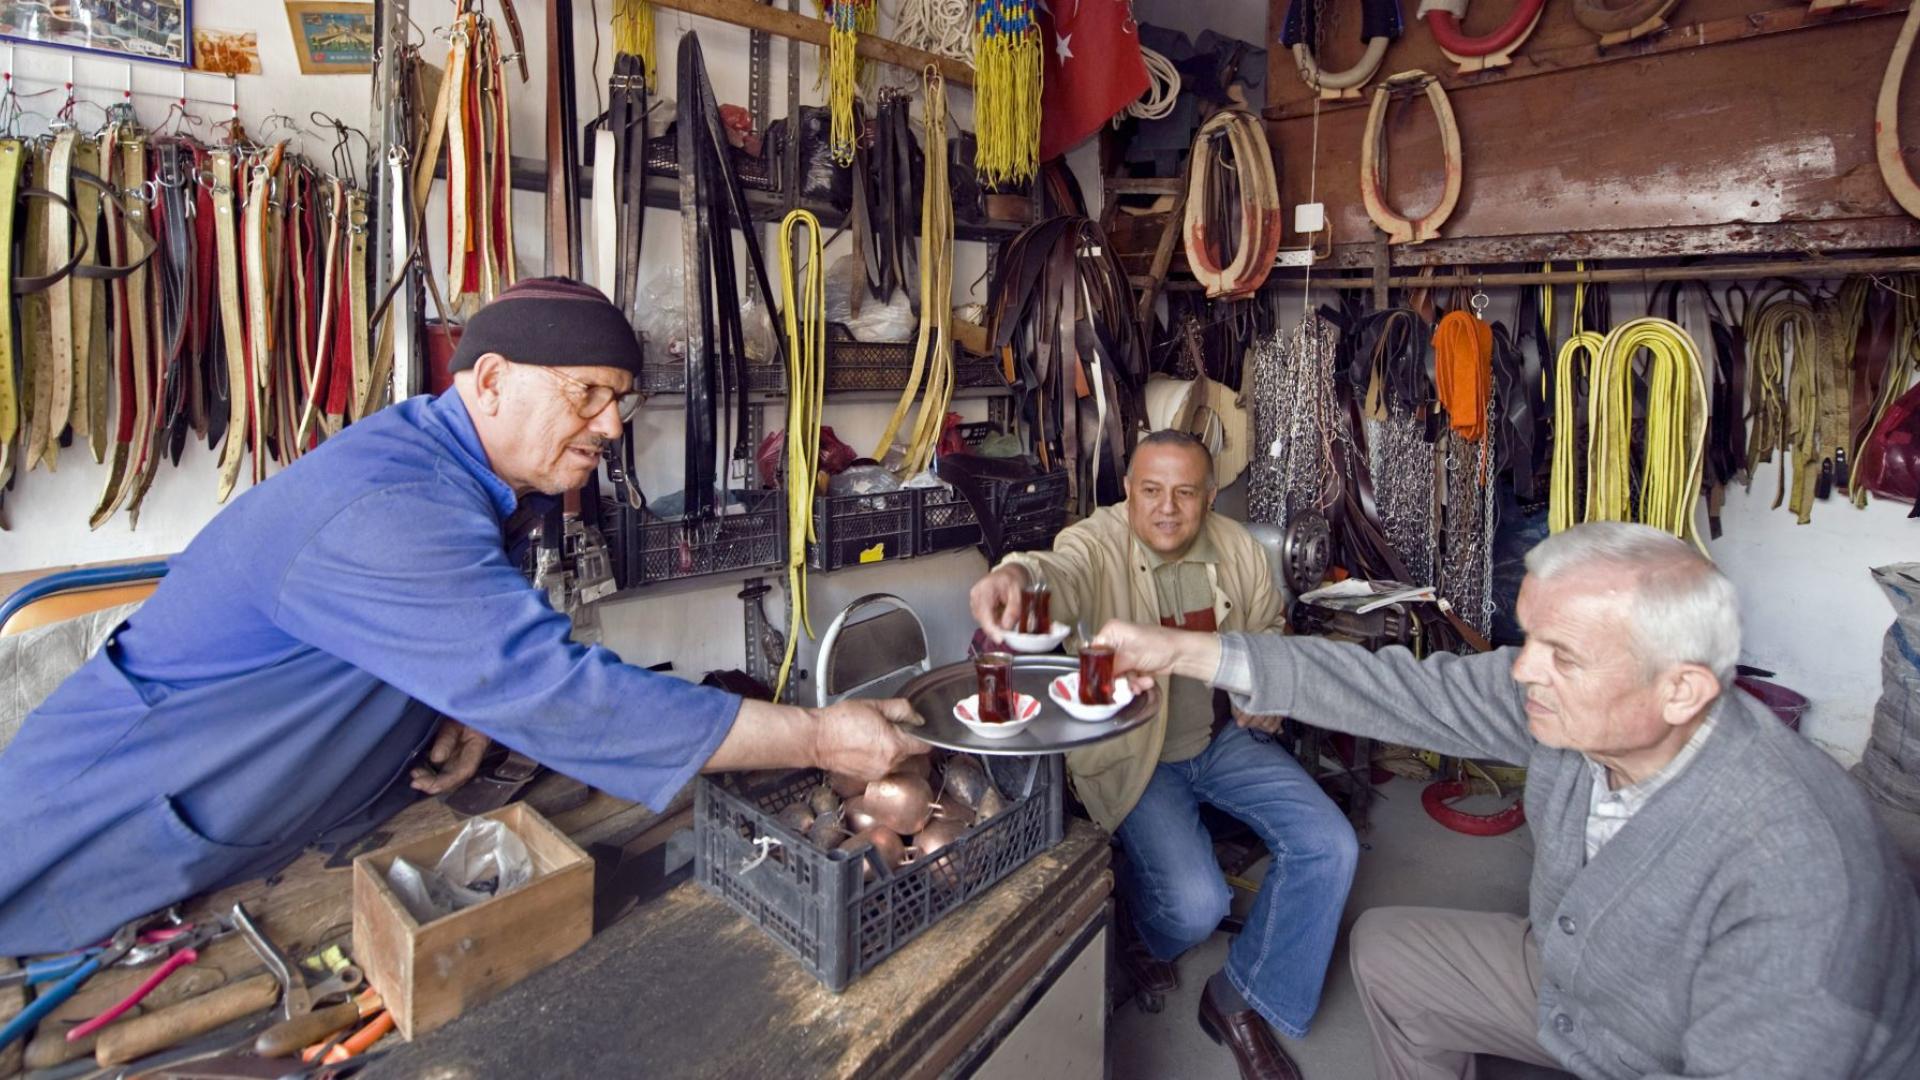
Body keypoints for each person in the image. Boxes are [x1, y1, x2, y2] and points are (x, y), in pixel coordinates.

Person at [0, 278, 926, 955]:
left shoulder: (467, 476)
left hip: (245, 838)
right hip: (99, 832)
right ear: (489, 380)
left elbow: (454, 647)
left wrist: (462, 708)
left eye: (622, 400)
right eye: (587, 394)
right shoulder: (393, 507)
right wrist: (815, 735)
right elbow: (560, 695)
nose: (611, 427)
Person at [1092, 521, 1920, 1080]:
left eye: (1563, 655)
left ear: (1682, 690)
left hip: (1671, 1048)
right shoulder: (1574, 712)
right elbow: (1393, 686)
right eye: (1531, 641)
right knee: (1388, 952)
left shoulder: (1802, 871)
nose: (1523, 671)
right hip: (1579, 980)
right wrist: (1182, 651)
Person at [969, 430, 1356, 1080]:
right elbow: (1055, 571)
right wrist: (1017, 573)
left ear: (1209, 496)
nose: (1167, 508)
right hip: (1134, 752)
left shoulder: (1236, 549)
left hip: (1220, 738)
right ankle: (1139, 937)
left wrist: (1264, 690)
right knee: (1195, 906)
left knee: (1331, 845)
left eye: (1185, 492)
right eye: (1151, 491)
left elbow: (1266, 634)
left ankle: (1241, 998)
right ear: (1129, 493)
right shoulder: (1097, 541)